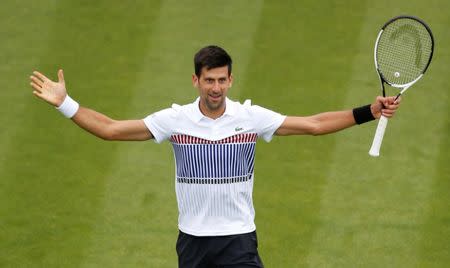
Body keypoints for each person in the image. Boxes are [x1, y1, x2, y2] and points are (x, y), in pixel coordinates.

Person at [29, 45, 400, 267]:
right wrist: (66, 104)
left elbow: (314, 124)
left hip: (238, 240)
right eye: (210, 80)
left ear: (231, 80)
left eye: (223, 80)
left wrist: (368, 111)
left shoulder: (250, 118)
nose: (217, 88)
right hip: (193, 243)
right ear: (196, 81)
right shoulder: (174, 120)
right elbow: (110, 129)